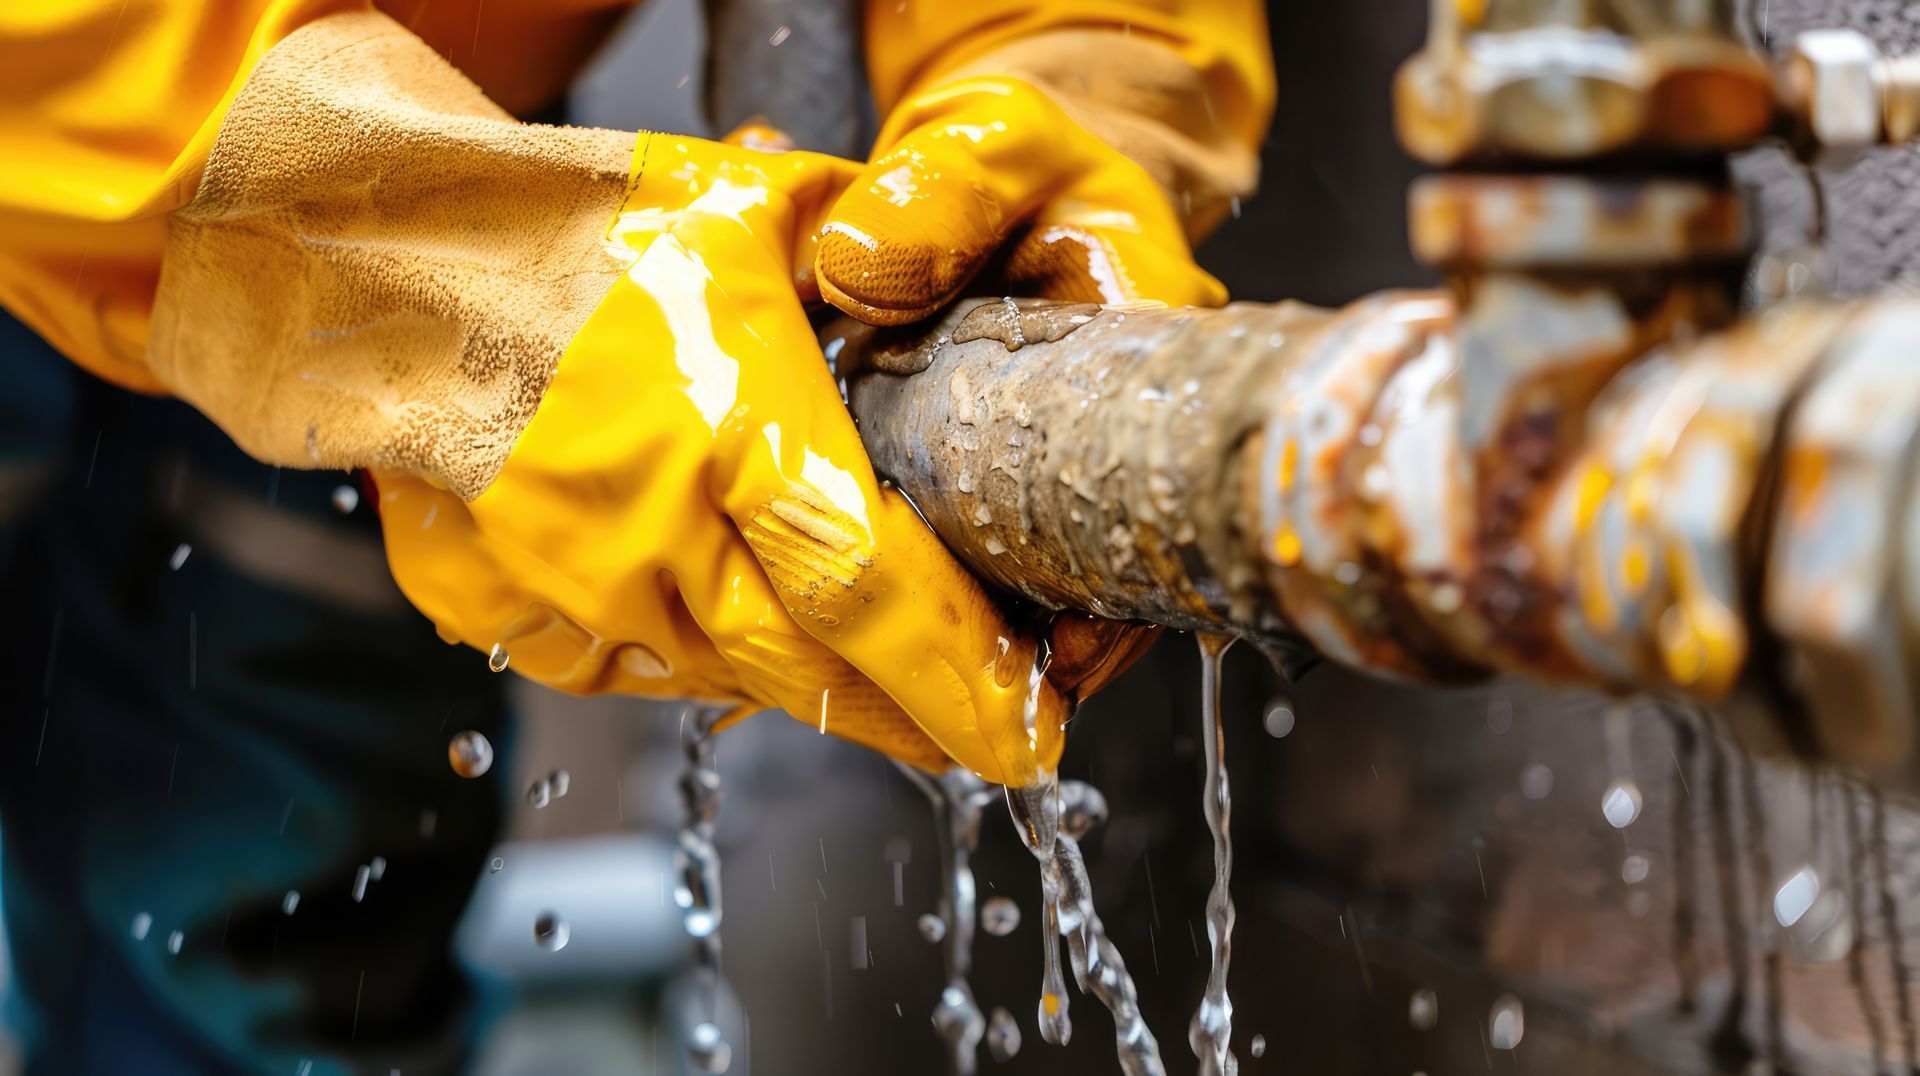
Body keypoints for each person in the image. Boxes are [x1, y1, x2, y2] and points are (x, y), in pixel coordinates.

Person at [0, 1, 1273, 1070]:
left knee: (280, 951)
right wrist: (439, 260)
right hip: (240, 132)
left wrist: (1062, 66)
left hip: (426, 109)